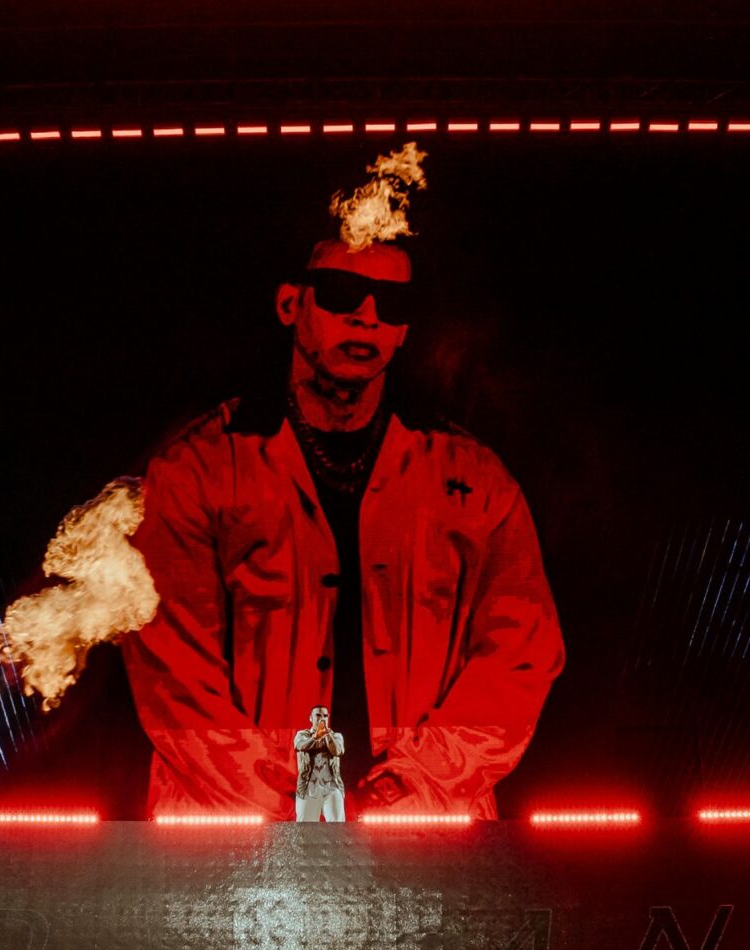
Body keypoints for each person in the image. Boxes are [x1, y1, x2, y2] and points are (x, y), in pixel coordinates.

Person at [120, 237, 564, 819]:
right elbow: (171, 668)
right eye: (342, 293)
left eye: (391, 303)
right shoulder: (197, 471)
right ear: (290, 304)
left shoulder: (475, 479)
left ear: (404, 331)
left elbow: (521, 653)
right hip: (237, 840)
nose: (367, 316)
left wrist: (417, 780)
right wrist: (280, 799)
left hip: (423, 835)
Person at [294, 706, 346, 822]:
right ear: (310, 718)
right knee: (305, 828)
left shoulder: (336, 736)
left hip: (331, 786)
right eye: (318, 715)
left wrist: (326, 734)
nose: (322, 718)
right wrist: (315, 737)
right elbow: (300, 746)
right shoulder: (302, 735)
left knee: (337, 827)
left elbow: (337, 751)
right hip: (308, 787)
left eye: (325, 716)